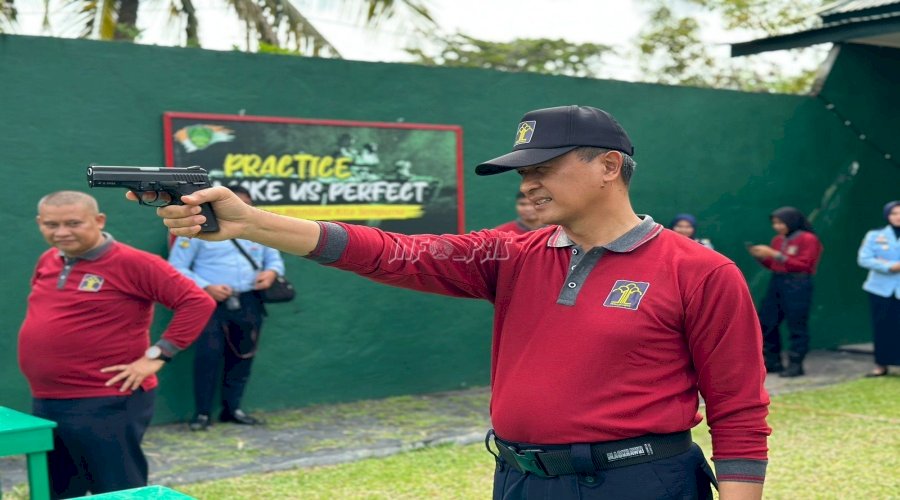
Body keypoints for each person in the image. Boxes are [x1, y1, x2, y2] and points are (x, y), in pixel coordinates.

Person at [139, 105, 770, 499]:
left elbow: (739, 408)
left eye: (544, 165)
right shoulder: (512, 252)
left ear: (609, 166)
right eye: (522, 169)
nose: (528, 181)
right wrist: (249, 224)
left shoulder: (700, 271)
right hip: (521, 479)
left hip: (637, 483)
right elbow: (395, 253)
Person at [18, 191, 215, 499]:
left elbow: (196, 301)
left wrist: (157, 355)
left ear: (99, 221)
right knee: (56, 491)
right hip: (47, 399)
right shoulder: (48, 259)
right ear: (39, 223)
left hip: (107, 398)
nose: (61, 232)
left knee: (118, 491)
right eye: (51, 224)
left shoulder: (134, 262)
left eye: (73, 223)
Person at [167, 185, 286, 431]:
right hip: (209, 303)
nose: (240, 209)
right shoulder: (196, 230)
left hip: (249, 300)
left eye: (246, 204)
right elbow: (176, 268)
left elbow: (274, 259)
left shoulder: (259, 230)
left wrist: (272, 272)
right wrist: (206, 286)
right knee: (207, 357)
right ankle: (202, 414)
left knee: (243, 357)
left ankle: (233, 410)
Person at [748, 207, 823, 378]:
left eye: (781, 222)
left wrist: (774, 254)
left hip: (798, 283)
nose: (777, 227)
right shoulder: (778, 240)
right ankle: (773, 361)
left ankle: (796, 363)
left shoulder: (808, 239)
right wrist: (762, 257)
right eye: (774, 223)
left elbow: (805, 265)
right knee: (767, 321)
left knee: (797, 324)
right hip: (778, 281)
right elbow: (775, 265)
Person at [856, 200, 900, 377]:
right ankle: (881, 364)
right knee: (882, 326)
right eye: (894, 213)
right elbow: (864, 259)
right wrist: (889, 266)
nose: (898, 217)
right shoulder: (875, 235)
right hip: (880, 289)